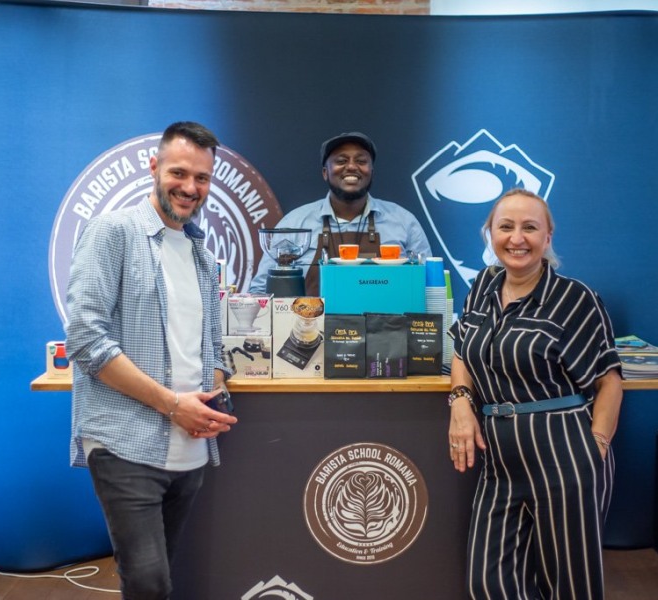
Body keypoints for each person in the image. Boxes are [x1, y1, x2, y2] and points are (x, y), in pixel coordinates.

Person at [65, 121, 238, 599]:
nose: (190, 187)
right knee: (148, 583)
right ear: (154, 167)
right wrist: (173, 405)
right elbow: (85, 338)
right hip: (124, 442)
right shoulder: (112, 232)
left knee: (157, 583)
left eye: (201, 178)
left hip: (190, 448)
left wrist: (213, 393)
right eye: (179, 173)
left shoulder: (201, 254)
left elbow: (210, 344)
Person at [447, 188, 623, 599]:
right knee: (488, 583)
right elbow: (461, 352)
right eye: (505, 227)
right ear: (490, 233)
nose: (517, 238)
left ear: (547, 237)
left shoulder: (574, 299)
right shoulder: (483, 287)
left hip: (564, 457)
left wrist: (594, 448)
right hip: (500, 464)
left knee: (569, 586)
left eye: (529, 227)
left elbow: (610, 381)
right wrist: (460, 402)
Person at [249, 131, 432, 296]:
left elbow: (430, 289)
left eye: (361, 161)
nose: (351, 167)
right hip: (310, 323)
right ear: (325, 173)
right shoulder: (295, 223)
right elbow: (260, 291)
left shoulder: (404, 222)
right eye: (341, 161)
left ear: (371, 172)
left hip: (388, 324)